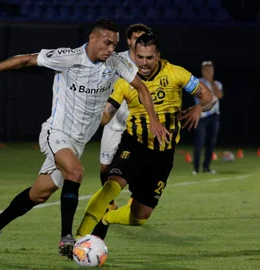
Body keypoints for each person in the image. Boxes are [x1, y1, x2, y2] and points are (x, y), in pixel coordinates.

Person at [0, 18, 169, 259]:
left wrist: (153, 119)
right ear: (92, 39)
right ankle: (67, 239)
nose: (111, 48)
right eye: (107, 42)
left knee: (39, 194)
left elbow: (141, 88)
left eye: (115, 44)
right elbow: (26, 59)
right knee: (76, 172)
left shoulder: (116, 62)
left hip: (77, 143)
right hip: (55, 133)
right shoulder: (69, 57)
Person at [76, 33, 217, 240]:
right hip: (135, 144)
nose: (143, 63)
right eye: (139, 57)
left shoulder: (176, 74)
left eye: (149, 57)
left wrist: (198, 109)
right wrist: (90, 117)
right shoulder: (126, 81)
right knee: (110, 187)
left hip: (163, 153)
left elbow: (209, 97)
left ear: (157, 55)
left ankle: (107, 219)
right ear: (133, 54)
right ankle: (78, 239)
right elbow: (107, 115)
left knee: (139, 217)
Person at [99, 23, 151, 211]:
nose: (140, 41)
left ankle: (135, 199)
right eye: (136, 38)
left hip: (138, 125)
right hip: (114, 122)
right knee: (105, 166)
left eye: (144, 38)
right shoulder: (114, 59)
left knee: (141, 165)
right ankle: (109, 202)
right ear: (129, 40)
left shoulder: (149, 61)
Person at [192, 61, 223, 175]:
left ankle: (206, 167)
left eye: (211, 70)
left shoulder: (217, 84)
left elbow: (219, 95)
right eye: (207, 70)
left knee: (211, 143)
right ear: (202, 71)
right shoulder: (197, 83)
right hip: (202, 117)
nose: (209, 72)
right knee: (199, 143)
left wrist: (211, 82)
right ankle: (196, 168)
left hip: (214, 117)